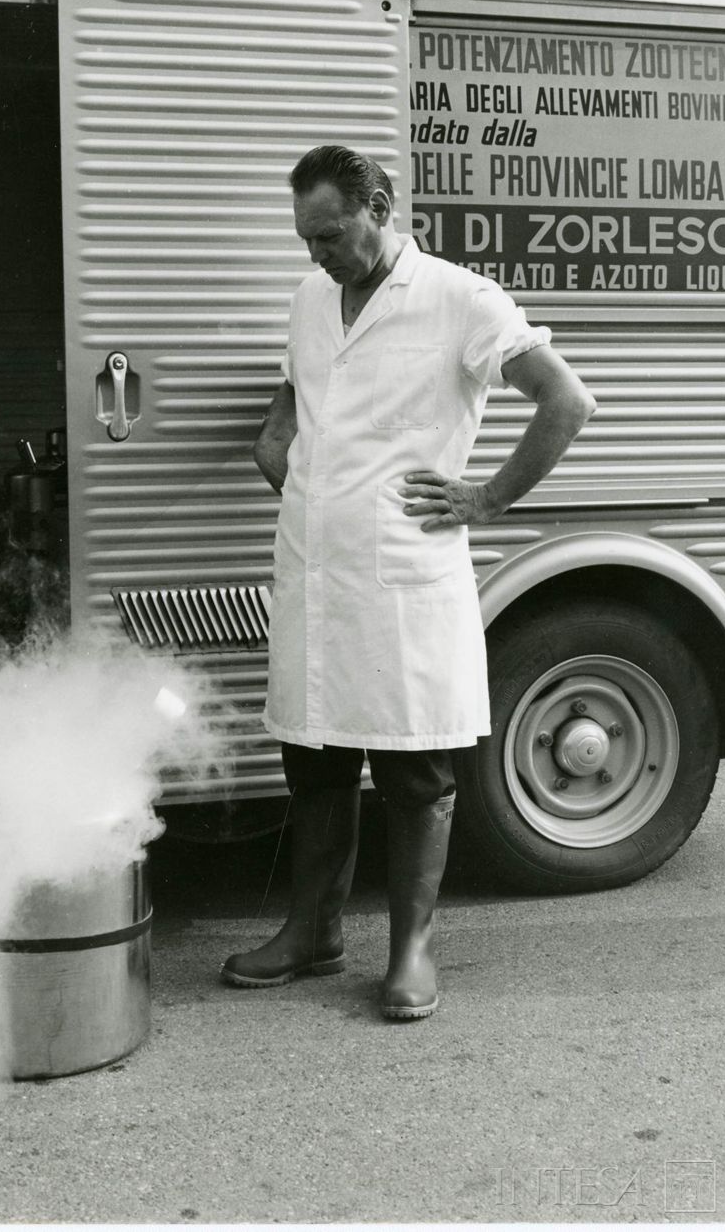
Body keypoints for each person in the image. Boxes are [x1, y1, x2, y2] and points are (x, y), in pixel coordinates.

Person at [223, 144, 595, 1020]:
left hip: (402, 581)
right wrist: (281, 456)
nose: (319, 253)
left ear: (380, 204)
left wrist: (488, 496)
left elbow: (566, 401)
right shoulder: (312, 299)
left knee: (415, 773)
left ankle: (412, 953)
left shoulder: (458, 298)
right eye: (307, 239)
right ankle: (312, 932)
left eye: (332, 234)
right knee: (314, 760)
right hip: (316, 577)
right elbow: (293, 405)